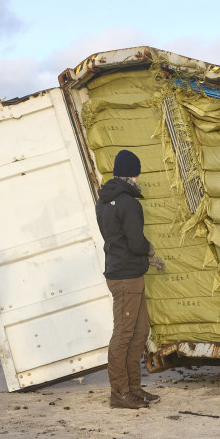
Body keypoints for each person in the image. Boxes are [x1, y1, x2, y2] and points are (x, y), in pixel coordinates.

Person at [95, 149, 164, 409]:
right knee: (124, 335)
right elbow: (135, 243)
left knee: (140, 331)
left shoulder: (102, 201)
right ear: (134, 174)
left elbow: (114, 237)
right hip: (127, 278)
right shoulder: (130, 203)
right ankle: (120, 392)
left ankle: (134, 387)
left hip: (123, 273)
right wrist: (149, 249)